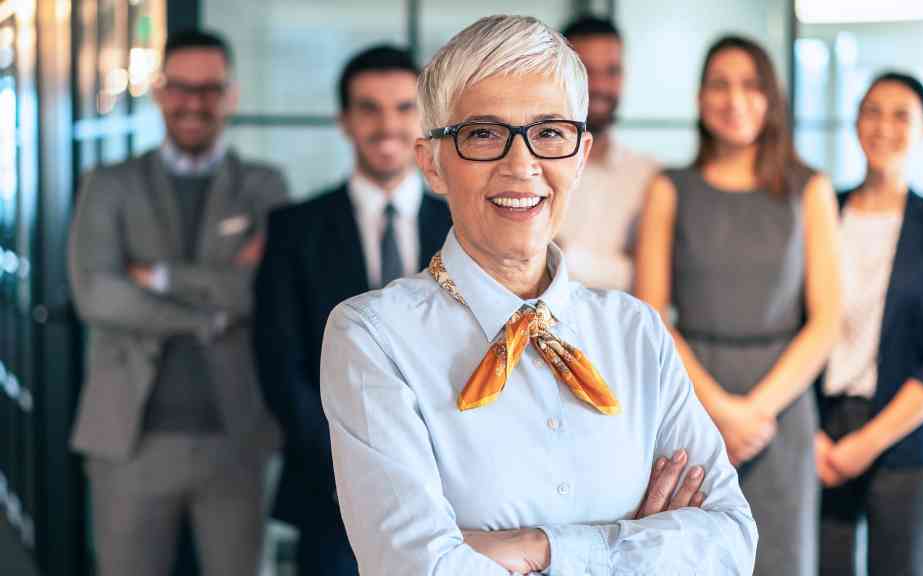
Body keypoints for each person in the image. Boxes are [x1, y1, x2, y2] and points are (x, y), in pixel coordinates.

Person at [321, 15, 756, 576]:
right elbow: (417, 568)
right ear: (431, 162)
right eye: (483, 133)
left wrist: (536, 548)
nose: (522, 164)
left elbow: (730, 544)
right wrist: (636, 544)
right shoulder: (373, 336)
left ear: (579, 154)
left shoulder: (636, 332)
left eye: (550, 133)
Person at [68, 30, 288, 575]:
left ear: (230, 96)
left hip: (236, 436)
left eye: (210, 89)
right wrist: (209, 313)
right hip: (129, 438)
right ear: (161, 92)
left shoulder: (262, 186)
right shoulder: (109, 184)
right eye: (181, 88)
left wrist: (160, 277)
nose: (195, 103)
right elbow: (97, 295)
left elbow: (265, 292)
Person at [634, 35, 841, 576]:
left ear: (772, 97)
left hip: (782, 408)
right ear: (701, 99)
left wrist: (757, 411)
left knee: (783, 559)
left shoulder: (810, 190)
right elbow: (651, 313)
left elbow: (826, 321)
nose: (735, 99)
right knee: (689, 555)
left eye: (751, 85)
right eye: (720, 85)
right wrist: (721, 410)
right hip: (690, 400)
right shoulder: (668, 189)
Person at [253, 45, 451, 576]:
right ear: (345, 121)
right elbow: (279, 363)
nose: (387, 125)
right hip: (330, 489)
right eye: (369, 107)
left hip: (454, 490)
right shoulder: (295, 229)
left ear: (427, 121)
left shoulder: (464, 227)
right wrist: (351, 462)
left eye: (404, 107)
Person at [816, 72, 923, 576]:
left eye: (901, 115)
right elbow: (798, 323)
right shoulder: (824, 210)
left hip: (903, 434)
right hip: (821, 431)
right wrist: (811, 434)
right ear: (857, 121)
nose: (884, 126)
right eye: (873, 111)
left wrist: (868, 442)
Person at [556, 15, 658, 291]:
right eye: (586, 71)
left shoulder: (648, 175)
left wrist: (561, 256)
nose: (599, 85)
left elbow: (654, 279)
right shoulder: (529, 167)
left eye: (612, 71)